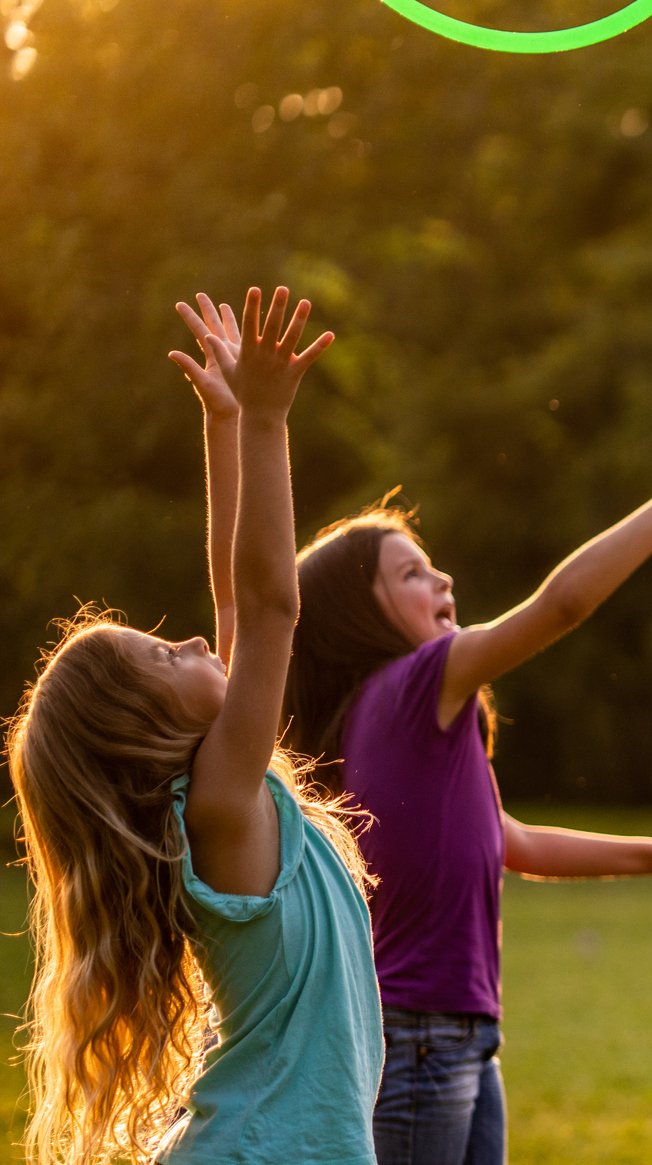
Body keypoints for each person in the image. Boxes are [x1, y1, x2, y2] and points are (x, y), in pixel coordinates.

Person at [282, 388, 652, 1164]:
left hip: (457, 1035)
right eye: (413, 575)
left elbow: (511, 840)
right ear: (354, 615)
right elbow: (563, 603)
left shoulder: (400, 719)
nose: (445, 585)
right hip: (421, 1036)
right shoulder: (410, 689)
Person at [8, 288, 377, 1164]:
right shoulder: (220, 809)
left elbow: (234, 597)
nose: (193, 642)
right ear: (144, 728)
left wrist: (224, 423)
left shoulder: (228, 796)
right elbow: (269, 605)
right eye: (166, 657)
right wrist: (266, 423)